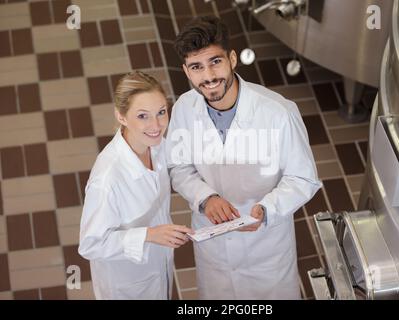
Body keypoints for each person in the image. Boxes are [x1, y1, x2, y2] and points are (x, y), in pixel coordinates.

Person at [165, 16, 322, 299]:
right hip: (214, 249)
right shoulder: (184, 109)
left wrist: (268, 209)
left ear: (232, 59)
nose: (209, 76)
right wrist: (205, 197)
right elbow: (179, 166)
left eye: (215, 62)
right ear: (186, 71)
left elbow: (304, 178)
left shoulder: (278, 112)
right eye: (197, 67)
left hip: (266, 248)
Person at [78, 71, 193, 300]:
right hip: (127, 285)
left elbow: (181, 166)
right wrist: (149, 235)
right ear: (121, 117)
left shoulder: (156, 144)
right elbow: (91, 244)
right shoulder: (108, 178)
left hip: (156, 267)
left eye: (161, 112)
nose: (156, 125)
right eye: (143, 116)